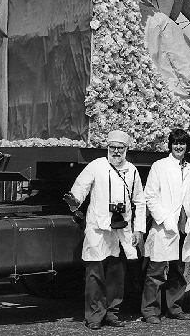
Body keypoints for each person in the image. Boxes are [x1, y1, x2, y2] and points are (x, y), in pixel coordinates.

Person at [65, 130, 144, 330]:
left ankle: (112, 313)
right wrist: (74, 200)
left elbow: (140, 202)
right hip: (98, 228)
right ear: (107, 148)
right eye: (112, 148)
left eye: (120, 148)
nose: (116, 152)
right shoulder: (96, 166)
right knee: (95, 273)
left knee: (116, 274)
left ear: (126, 149)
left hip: (120, 229)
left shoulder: (132, 171)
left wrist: (139, 230)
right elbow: (80, 188)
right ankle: (94, 316)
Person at [141, 129, 190, 323]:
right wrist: (165, 219)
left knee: (178, 270)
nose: (178, 146)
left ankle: (174, 307)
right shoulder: (160, 166)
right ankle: (150, 311)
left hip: (183, 226)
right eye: (175, 143)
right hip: (164, 226)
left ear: (187, 146)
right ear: (170, 145)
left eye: (182, 143)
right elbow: (150, 195)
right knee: (156, 270)